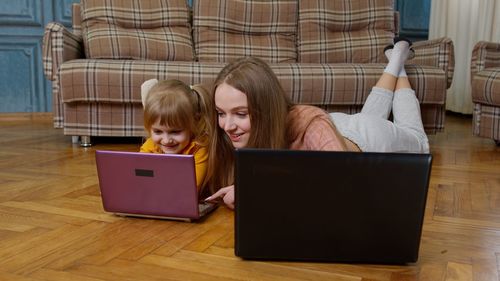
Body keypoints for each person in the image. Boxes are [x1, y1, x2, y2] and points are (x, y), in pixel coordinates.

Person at [205, 37, 429, 209]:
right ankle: (396, 59)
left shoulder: (308, 123)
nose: (227, 126)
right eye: (221, 113)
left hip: (365, 139)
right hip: (333, 129)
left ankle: (398, 57)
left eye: (241, 114)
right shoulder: (229, 132)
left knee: (418, 141)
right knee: (369, 113)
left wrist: (254, 189)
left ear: (267, 110)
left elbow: (343, 184)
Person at [140, 79, 214, 193]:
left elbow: (190, 188)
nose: (166, 140)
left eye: (175, 132)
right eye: (158, 132)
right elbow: (139, 176)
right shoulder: (150, 146)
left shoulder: (199, 149)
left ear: (193, 123)